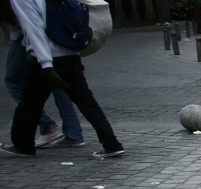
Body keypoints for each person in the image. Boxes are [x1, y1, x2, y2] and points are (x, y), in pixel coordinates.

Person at [1, 0, 124, 158]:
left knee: (29, 102)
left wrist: (46, 65)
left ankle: (23, 145)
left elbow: (33, 27)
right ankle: (112, 143)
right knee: (86, 102)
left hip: (47, 57)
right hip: (69, 53)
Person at [2, 5, 84, 149]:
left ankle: (47, 127)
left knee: (14, 81)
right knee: (56, 83)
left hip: (26, 34)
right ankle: (73, 133)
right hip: (43, 31)